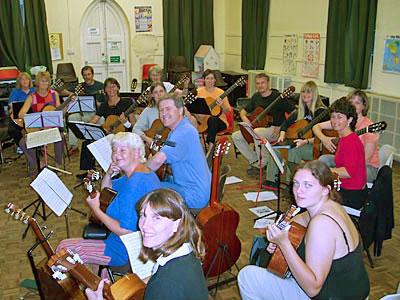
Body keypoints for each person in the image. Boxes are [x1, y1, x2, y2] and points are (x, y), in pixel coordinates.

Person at [238, 160, 370, 300]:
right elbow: (302, 218)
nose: (299, 191)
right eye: (296, 183)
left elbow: (313, 289)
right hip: (354, 290)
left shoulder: (321, 224)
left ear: (326, 189)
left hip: (331, 295)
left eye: (308, 185)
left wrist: (284, 244)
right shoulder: (332, 206)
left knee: (247, 276)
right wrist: (284, 228)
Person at [57, 132, 161, 274]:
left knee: (64, 249)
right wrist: (108, 174)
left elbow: (126, 232)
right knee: (90, 258)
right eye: (114, 150)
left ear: (137, 153)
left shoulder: (134, 185)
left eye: (123, 150)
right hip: (131, 242)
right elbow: (107, 190)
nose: (116, 155)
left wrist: (97, 211)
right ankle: (102, 287)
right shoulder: (140, 172)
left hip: (126, 250)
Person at [85, 188, 208, 300]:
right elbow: (155, 276)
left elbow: (162, 285)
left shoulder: (166, 284)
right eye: (143, 215)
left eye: (156, 218)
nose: (144, 225)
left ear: (177, 224)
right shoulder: (186, 250)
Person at [146, 94, 211, 211]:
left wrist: (136, 172)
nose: (164, 114)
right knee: (156, 180)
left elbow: (158, 160)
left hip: (194, 195)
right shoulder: (183, 127)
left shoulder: (182, 133)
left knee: (145, 188)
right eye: (161, 110)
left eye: (168, 109)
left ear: (180, 110)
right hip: (196, 187)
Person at [264, 81, 328, 186]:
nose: (305, 95)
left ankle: (291, 184)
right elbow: (285, 124)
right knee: (275, 149)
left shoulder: (321, 112)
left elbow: (322, 136)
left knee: (293, 150)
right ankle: (271, 180)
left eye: (309, 92)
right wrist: (282, 134)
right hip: (299, 142)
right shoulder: (301, 110)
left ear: (315, 94)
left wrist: (306, 141)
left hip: (314, 145)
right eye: (303, 92)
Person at [232, 73, 294, 175]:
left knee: (257, 132)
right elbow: (243, 111)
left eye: (262, 83)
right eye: (258, 83)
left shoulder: (278, 97)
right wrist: (244, 117)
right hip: (259, 127)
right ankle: (255, 160)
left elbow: (293, 113)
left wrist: (282, 127)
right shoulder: (256, 96)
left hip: (274, 130)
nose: (260, 85)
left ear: (268, 83)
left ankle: (263, 163)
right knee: (236, 136)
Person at [313, 90, 379, 183]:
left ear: (364, 107)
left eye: (357, 103)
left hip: (367, 167)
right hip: (346, 161)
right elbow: (316, 127)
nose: (353, 105)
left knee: (333, 174)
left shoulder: (368, 126)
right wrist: (324, 139)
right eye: (351, 102)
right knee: (323, 160)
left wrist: (340, 168)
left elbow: (365, 159)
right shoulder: (341, 120)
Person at [312, 97, 367, 209]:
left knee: (313, 198)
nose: (335, 121)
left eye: (339, 117)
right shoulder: (344, 137)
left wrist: (324, 171)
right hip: (346, 187)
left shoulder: (351, 142)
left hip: (352, 194)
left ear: (350, 120)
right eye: (333, 117)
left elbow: (347, 172)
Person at [77, 77, 136, 179]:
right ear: (105, 90)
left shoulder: (126, 103)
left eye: (113, 86)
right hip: (107, 136)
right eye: (108, 87)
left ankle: (116, 170)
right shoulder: (104, 106)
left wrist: (125, 122)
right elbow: (92, 122)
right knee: (87, 143)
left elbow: (134, 123)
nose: (111, 89)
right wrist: (99, 129)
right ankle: (90, 171)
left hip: (123, 136)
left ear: (118, 88)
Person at [18, 71, 64, 177]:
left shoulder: (54, 94)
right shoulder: (32, 97)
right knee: (23, 143)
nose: (44, 83)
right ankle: (39, 164)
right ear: (37, 83)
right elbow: (21, 114)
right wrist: (35, 119)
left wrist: (66, 105)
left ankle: (58, 165)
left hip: (52, 128)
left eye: (46, 81)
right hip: (38, 129)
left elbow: (60, 112)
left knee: (60, 137)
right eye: (42, 81)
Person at [61, 66, 106, 155]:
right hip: (83, 112)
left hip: (96, 113)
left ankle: (100, 145)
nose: (87, 77)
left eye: (89, 74)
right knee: (71, 117)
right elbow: (62, 91)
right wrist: (69, 93)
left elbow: (106, 103)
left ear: (92, 75)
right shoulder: (80, 86)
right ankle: (74, 146)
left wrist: (98, 104)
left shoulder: (100, 86)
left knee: (102, 120)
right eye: (85, 75)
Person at [195, 69, 232, 146]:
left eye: (212, 78)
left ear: (215, 80)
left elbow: (227, 111)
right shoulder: (198, 92)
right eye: (207, 78)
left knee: (212, 120)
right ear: (204, 80)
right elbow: (193, 109)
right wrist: (199, 115)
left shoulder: (221, 92)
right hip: (202, 122)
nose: (210, 81)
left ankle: (210, 146)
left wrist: (222, 105)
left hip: (219, 122)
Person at [7, 72, 35, 155]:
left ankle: (36, 145)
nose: (25, 81)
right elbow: (10, 104)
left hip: (32, 116)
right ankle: (21, 144)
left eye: (26, 79)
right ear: (19, 81)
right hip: (19, 117)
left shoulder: (34, 90)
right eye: (22, 79)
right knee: (12, 130)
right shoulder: (16, 91)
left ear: (30, 81)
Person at [132, 82, 167, 147]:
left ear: (165, 92)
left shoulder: (173, 109)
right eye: (155, 92)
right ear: (152, 95)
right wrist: (147, 139)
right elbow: (136, 129)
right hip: (153, 147)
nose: (159, 94)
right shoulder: (148, 111)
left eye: (161, 91)